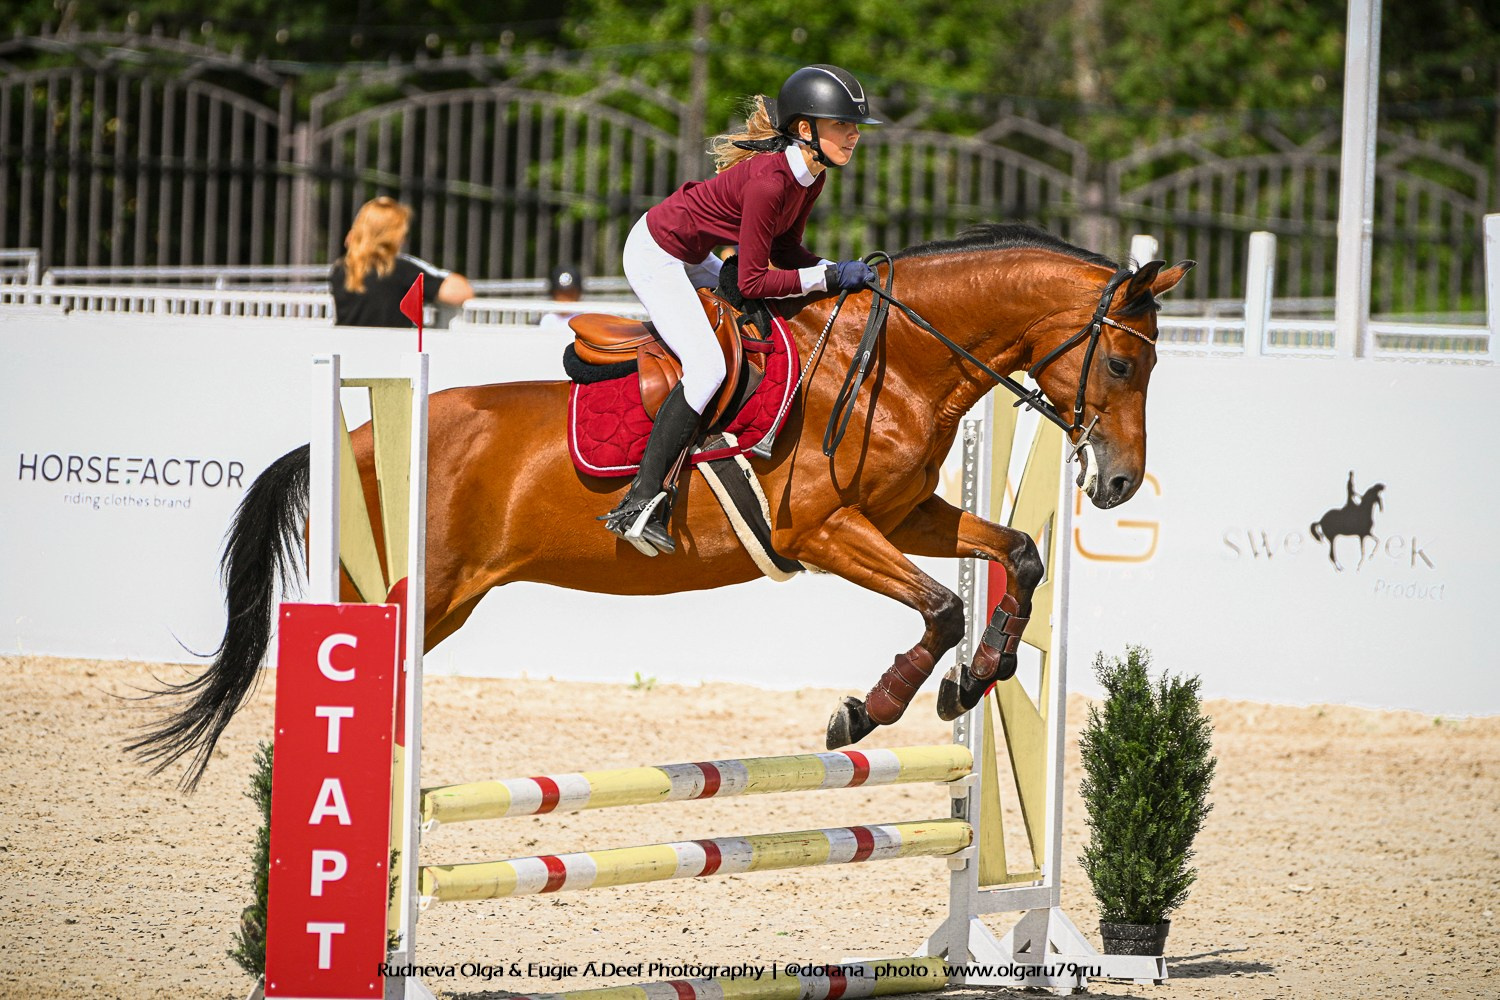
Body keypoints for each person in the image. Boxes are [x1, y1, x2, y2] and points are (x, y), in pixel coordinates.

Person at [601, 64, 881, 557]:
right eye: (843, 125)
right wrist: (831, 277)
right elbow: (752, 278)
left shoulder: (810, 177)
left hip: (692, 254)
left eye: (854, 126)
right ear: (805, 130)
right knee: (707, 367)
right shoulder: (771, 183)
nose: (854, 135)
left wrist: (840, 272)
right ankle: (639, 502)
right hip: (655, 254)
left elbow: (789, 252)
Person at [329, 196, 474, 327]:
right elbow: (460, 292)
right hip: (390, 352)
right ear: (394, 235)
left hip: (349, 352)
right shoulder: (399, 269)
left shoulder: (340, 269)